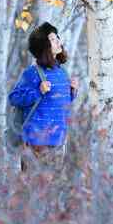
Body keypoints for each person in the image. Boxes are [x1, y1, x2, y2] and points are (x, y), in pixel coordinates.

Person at [8, 22, 78, 175]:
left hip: (58, 141)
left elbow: (60, 104)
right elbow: (13, 98)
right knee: (33, 188)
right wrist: (37, 91)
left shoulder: (62, 72)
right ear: (44, 46)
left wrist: (72, 92)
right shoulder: (32, 73)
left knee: (52, 190)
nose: (59, 41)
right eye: (53, 39)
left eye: (57, 37)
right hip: (36, 142)